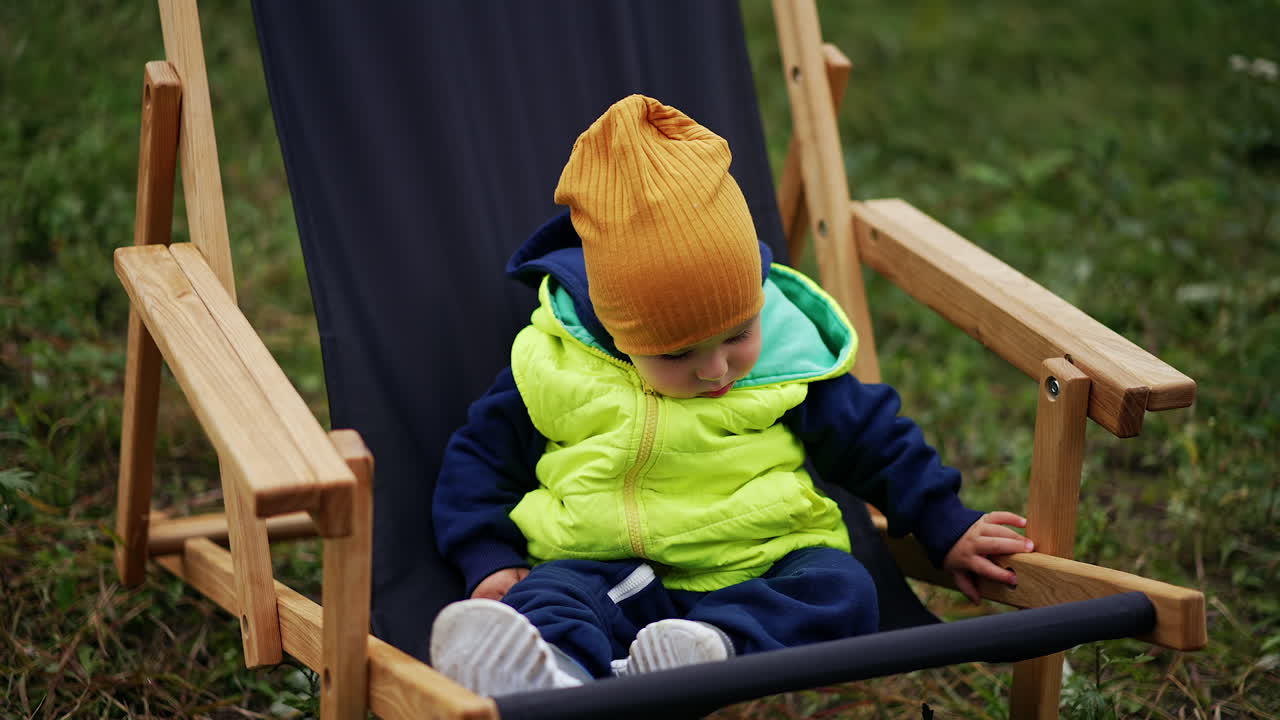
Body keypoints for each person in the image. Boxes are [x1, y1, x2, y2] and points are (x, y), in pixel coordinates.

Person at [429, 94, 1033, 697]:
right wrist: (487, 552)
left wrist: (945, 523)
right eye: (676, 354)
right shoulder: (557, 362)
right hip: (607, 566)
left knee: (841, 589)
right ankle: (551, 671)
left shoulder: (785, 356)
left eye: (739, 333)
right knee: (549, 595)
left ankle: (711, 651)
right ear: (616, 331)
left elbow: (875, 439)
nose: (716, 369)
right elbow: (481, 456)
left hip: (764, 564)